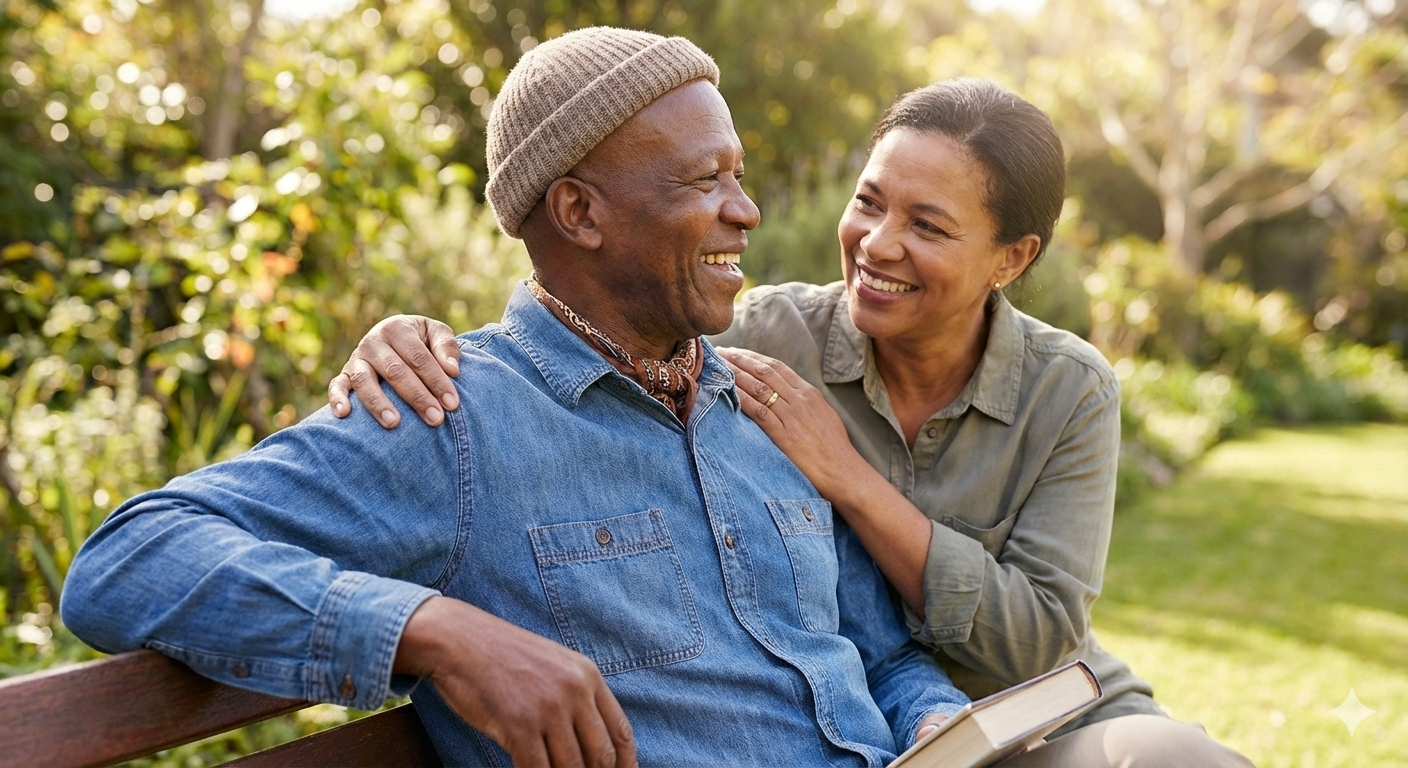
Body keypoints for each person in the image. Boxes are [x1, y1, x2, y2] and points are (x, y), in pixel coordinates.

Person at [61, 28, 972, 768]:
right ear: (579, 214)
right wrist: (436, 630)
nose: (747, 209)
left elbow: (884, 657)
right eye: (705, 179)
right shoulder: (450, 419)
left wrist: (935, 724)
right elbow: (127, 560)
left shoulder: (771, 414)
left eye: (737, 173)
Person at [331, 79, 1253, 766]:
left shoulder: (1068, 389)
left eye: (928, 226)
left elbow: (1036, 640)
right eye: (868, 202)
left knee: (1176, 759)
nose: (879, 244)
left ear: (1011, 258)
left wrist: (848, 479)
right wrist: (410, 339)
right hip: (886, 720)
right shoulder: (763, 334)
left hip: (1019, 713)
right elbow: (591, 313)